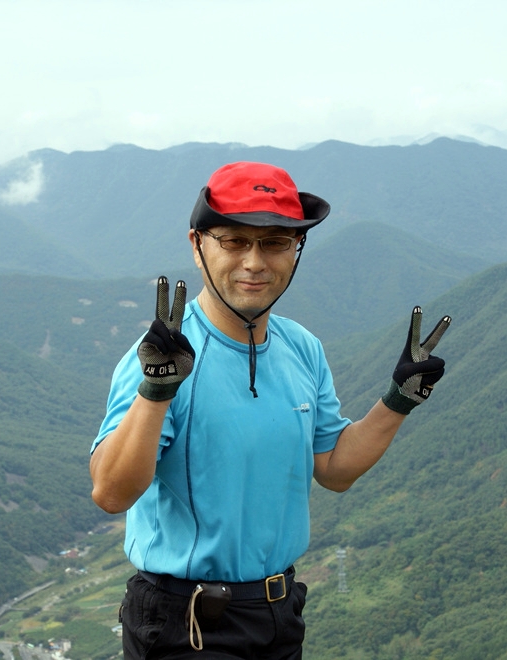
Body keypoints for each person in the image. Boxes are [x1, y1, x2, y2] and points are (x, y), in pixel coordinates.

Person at [89, 161, 448, 659]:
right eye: (234, 241)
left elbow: (334, 469)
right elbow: (110, 492)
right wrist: (156, 391)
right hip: (186, 624)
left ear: (295, 250)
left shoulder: (302, 347)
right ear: (197, 246)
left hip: (280, 613)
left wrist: (399, 400)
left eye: (275, 242)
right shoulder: (161, 357)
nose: (255, 262)